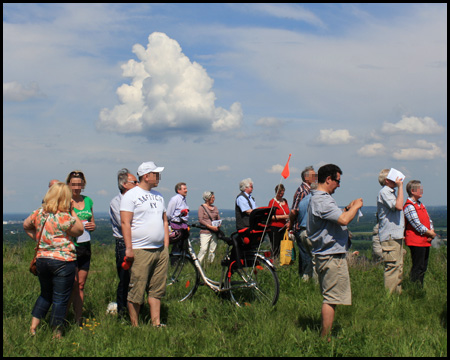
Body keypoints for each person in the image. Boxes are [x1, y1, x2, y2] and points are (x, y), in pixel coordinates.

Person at [307, 164, 363, 339]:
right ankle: (325, 338)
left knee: (332, 296)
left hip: (327, 254)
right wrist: (356, 206)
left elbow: (335, 217)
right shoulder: (322, 200)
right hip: (330, 255)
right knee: (331, 298)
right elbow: (343, 220)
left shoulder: (320, 199)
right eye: (337, 181)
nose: (339, 185)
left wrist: (346, 208)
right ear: (328, 179)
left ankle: (326, 335)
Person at [23, 183, 84, 338]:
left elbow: (26, 225)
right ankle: (56, 333)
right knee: (60, 298)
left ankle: (33, 328)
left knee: (45, 294)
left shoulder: (39, 213)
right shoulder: (64, 216)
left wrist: (40, 239)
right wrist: (72, 210)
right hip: (63, 260)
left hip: (42, 259)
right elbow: (79, 230)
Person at [120, 161, 169, 327]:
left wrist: (166, 245)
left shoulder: (159, 195)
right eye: (156, 174)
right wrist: (129, 248)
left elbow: (164, 221)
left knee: (157, 288)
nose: (159, 177)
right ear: (146, 176)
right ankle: (135, 325)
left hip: (160, 249)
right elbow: (125, 223)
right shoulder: (131, 196)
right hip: (140, 249)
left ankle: (156, 323)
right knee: (137, 288)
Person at [66, 170, 96, 326]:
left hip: (85, 246)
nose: (77, 187)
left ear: (83, 185)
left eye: (79, 184)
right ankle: (64, 317)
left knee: (81, 285)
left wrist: (92, 225)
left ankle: (78, 319)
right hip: (70, 246)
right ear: (68, 185)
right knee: (72, 284)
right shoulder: (66, 201)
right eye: (74, 184)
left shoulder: (88, 200)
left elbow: (92, 221)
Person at [109, 168, 138, 317]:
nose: (138, 184)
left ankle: (137, 309)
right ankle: (122, 312)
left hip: (138, 242)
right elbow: (124, 223)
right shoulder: (116, 202)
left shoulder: (137, 199)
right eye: (135, 182)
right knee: (125, 279)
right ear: (125, 184)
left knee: (138, 279)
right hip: (123, 244)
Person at [377, 169, 405, 294]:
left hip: (395, 235)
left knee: (398, 267)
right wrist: (400, 187)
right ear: (387, 180)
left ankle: (397, 295)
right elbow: (398, 206)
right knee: (392, 267)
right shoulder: (385, 192)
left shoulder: (390, 192)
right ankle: (389, 297)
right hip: (390, 236)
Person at [403, 180, 436, 287]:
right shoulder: (409, 206)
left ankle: (419, 288)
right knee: (418, 266)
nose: (421, 191)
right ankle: (414, 288)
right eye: (419, 189)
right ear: (412, 191)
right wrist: (430, 234)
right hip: (416, 241)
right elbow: (416, 224)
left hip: (424, 240)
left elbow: (428, 220)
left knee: (423, 267)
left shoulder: (420, 204)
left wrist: (431, 231)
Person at [289, 166, 317, 277]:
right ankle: (305, 279)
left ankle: (303, 280)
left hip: (302, 227)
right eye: (313, 175)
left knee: (305, 256)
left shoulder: (307, 190)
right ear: (306, 178)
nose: (316, 177)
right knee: (306, 256)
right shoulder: (302, 191)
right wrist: (290, 224)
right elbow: (294, 210)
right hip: (301, 227)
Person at [295, 181, 318, 281]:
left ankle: (305, 280)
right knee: (316, 259)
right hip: (312, 232)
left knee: (310, 258)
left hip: (302, 232)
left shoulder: (303, 200)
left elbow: (296, 213)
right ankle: (317, 284)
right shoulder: (316, 200)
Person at [198, 191, 221, 265]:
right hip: (205, 232)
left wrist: (218, 225)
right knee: (203, 249)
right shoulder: (202, 208)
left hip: (214, 232)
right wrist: (210, 226)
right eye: (212, 197)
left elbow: (218, 218)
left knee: (212, 250)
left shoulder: (215, 208)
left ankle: (209, 265)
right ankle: (198, 265)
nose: (214, 199)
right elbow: (201, 220)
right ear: (207, 198)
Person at [167, 182, 189, 255]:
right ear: (178, 190)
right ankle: (174, 262)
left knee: (183, 246)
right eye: (184, 189)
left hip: (183, 225)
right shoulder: (175, 199)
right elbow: (168, 214)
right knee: (176, 246)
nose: (186, 190)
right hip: (176, 226)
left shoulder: (183, 199)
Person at [268, 184, 290, 259]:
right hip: (275, 227)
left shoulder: (285, 201)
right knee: (275, 247)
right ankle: (274, 261)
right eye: (280, 193)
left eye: (282, 193)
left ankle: (283, 261)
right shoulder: (272, 202)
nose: (281, 195)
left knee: (283, 246)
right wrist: (283, 217)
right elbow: (270, 216)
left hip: (284, 227)